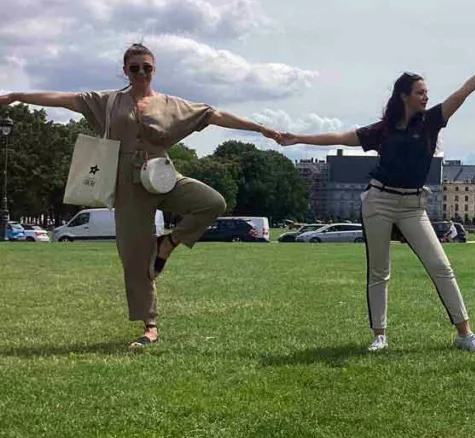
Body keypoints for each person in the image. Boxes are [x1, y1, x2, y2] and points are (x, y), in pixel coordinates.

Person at [0, 43, 280, 348]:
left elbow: (215, 115)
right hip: (127, 185)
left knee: (212, 202)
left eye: (146, 67)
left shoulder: (171, 104)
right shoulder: (106, 102)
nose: (141, 73)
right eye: (134, 68)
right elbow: (63, 99)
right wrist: (16, 96)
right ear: (125, 70)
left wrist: (259, 128)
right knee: (134, 259)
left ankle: (167, 244)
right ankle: (150, 326)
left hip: (163, 176)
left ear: (154, 69)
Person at [277, 47, 475, 353]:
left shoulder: (431, 121)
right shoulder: (382, 130)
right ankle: (380, 335)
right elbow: (339, 137)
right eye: (420, 92)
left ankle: (464, 334)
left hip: (414, 205)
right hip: (379, 201)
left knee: (441, 266)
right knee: (379, 270)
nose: (426, 97)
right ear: (404, 95)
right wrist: (297, 137)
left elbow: (465, 90)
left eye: (427, 92)